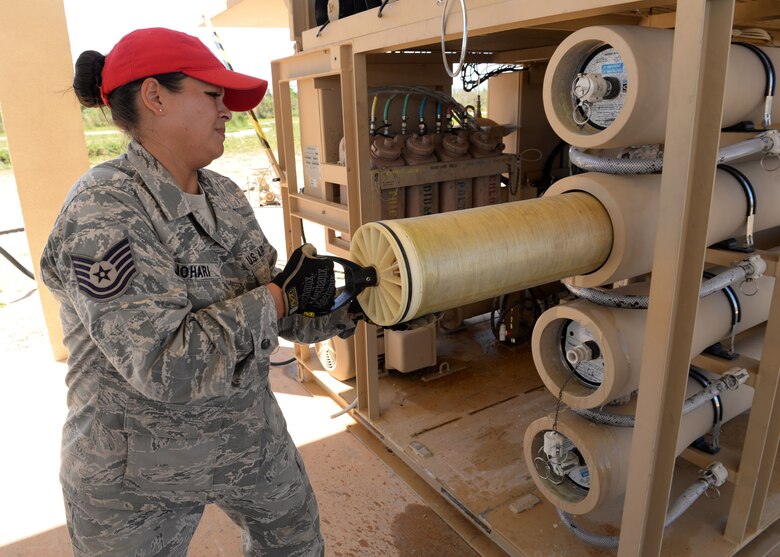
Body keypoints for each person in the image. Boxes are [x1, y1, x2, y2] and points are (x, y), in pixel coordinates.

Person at [40, 27, 360, 557]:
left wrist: (358, 304)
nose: (226, 111)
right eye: (213, 95)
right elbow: (166, 363)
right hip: (136, 473)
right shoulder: (104, 210)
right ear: (155, 96)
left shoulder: (223, 195)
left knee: (296, 544)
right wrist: (280, 297)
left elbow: (272, 307)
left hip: (246, 438)